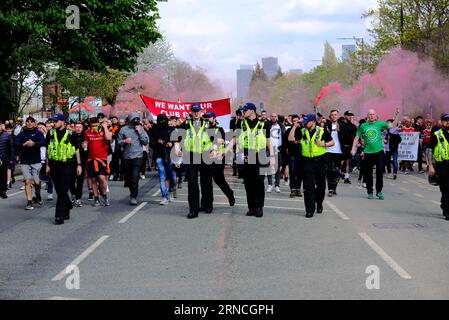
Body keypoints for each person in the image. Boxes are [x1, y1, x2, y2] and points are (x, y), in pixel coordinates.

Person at [224, 103, 274, 218]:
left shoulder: (264, 124)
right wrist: (225, 151)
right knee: (248, 183)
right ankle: (251, 208)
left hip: (260, 154)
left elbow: (268, 141)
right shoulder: (241, 123)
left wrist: (272, 157)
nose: (243, 112)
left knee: (259, 182)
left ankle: (259, 207)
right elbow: (235, 139)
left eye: (245, 110)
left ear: (252, 111)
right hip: (246, 155)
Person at [289, 114, 334, 218]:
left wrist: (323, 144)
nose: (304, 124)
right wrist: (295, 126)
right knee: (308, 187)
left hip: (320, 162)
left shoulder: (321, 131)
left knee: (321, 186)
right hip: (306, 162)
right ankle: (309, 209)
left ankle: (319, 203)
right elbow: (291, 139)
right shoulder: (302, 131)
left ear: (313, 121)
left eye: (306, 122)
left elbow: (332, 142)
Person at [351, 109, 400, 200]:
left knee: (380, 171)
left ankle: (379, 191)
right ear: (367, 116)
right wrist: (353, 148)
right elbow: (357, 137)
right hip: (368, 152)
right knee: (368, 173)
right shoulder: (363, 126)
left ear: (376, 115)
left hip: (379, 152)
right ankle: (370, 191)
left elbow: (393, 125)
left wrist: (396, 116)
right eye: (369, 114)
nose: (371, 116)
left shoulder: (380, 124)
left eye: (373, 114)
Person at [177, 104, 214, 219]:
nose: (196, 113)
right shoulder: (186, 124)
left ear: (201, 111)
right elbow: (178, 139)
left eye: (198, 111)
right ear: (191, 112)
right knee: (192, 183)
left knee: (206, 181)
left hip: (205, 155)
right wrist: (178, 149)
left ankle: (207, 204)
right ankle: (194, 209)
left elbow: (214, 139)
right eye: (194, 111)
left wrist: (214, 150)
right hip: (191, 155)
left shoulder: (207, 124)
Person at [45, 114, 83, 225]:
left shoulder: (71, 134)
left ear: (62, 122)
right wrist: (47, 165)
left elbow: (76, 150)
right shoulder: (50, 133)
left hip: (69, 165)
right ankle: (68, 207)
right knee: (59, 190)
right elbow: (48, 150)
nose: (53, 123)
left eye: (56, 121)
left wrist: (79, 164)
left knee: (62, 191)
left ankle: (59, 216)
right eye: (53, 121)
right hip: (54, 165)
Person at [117, 113, 149, 206]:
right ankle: (132, 192)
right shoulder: (123, 129)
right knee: (129, 178)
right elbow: (118, 142)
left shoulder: (140, 129)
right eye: (134, 119)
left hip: (138, 156)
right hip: (127, 157)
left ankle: (133, 196)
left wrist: (140, 133)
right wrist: (124, 141)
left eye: (137, 119)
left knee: (135, 177)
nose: (136, 121)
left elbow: (145, 141)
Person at [15, 117, 46, 210]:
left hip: (36, 161)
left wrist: (34, 144)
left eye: (31, 122)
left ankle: (37, 194)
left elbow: (44, 142)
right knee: (27, 181)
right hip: (25, 161)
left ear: (34, 123)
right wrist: (23, 144)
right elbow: (15, 143)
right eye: (27, 122)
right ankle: (29, 202)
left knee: (37, 182)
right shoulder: (22, 134)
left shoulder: (38, 133)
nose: (29, 123)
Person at [206, 112, 235, 207]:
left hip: (218, 157)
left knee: (218, 179)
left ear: (214, 118)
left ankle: (230, 194)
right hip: (206, 157)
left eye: (209, 117)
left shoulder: (219, 128)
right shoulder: (204, 128)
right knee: (207, 180)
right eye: (206, 117)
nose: (207, 118)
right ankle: (209, 203)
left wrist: (211, 139)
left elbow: (222, 140)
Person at [84, 117, 112, 207]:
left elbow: (108, 138)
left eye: (96, 125)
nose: (94, 127)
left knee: (102, 178)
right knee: (94, 179)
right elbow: (85, 143)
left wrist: (104, 127)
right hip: (91, 159)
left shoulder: (104, 131)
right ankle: (96, 198)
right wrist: (85, 144)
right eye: (93, 126)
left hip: (102, 159)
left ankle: (104, 195)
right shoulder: (87, 132)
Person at [151, 114, 177, 205]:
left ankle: (170, 191)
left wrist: (171, 143)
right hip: (159, 156)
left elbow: (178, 140)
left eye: (164, 120)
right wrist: (158, 142)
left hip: (170, 156)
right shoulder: (154, 130)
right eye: (161, 120)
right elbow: (151, 143)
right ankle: (164, 197)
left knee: (173, 176)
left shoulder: (172, 129)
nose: (163, 122)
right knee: (162, 177)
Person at [427, 114, 449, 221]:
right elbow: (430, 150)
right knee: (445, 188)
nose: (448, 122)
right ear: (442, 122)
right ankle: (446, 209)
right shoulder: (437, 134)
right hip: (442, 165)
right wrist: (430, 165)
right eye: (446, 120)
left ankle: (445, 205)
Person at [325, 110, 343, 197]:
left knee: (336, 170)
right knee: (329, 170)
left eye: (335, 115)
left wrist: (341, 130)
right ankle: (330, 189)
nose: (334, 116)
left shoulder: (341, 125)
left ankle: (334, 187)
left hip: (338, 151)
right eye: (332, 115)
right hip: (328, 150)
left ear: (338, 116)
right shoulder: (326, 125)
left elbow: (348, 135)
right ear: (330, 116)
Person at [266, 113, 285, 193]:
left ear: (277, 117)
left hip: (278, 149)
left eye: (275, 116)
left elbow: (284, 136)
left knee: (278, 168)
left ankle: (277, 185)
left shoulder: (281, 126)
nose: (273, 118)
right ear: (270, 117)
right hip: (269, 149)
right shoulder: (267, 125)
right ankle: (270, 184)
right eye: (272, 117)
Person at [286, 115, 303, 198]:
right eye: (294, 121)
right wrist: (294, 127)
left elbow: (303, 140)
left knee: (300, 172)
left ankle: (298, 189)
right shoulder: (289, 130)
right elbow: (289, 140)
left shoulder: (302, 130)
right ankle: (292, 189)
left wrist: (298, 141)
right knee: (292, 172)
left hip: (301, 154)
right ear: (292, 122)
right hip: (292, 154)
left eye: (297, 121)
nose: (296, 123)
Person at [339, 111, 358, 184]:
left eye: (351, 115)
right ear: (345, 116)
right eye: (349, 115)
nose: (350, 117)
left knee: (347, 162)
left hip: (349, 146)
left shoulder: (352, 125)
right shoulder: (340, 124)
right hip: (341, 146)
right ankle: (339, 174)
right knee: (340, 161)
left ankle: (347, 177)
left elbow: (357, 134)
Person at [0, 122, 14, 199]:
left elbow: (11, 148)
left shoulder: (6, 136)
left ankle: (3, 191)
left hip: (4, 159)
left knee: (3, 175)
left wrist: (11, 158)